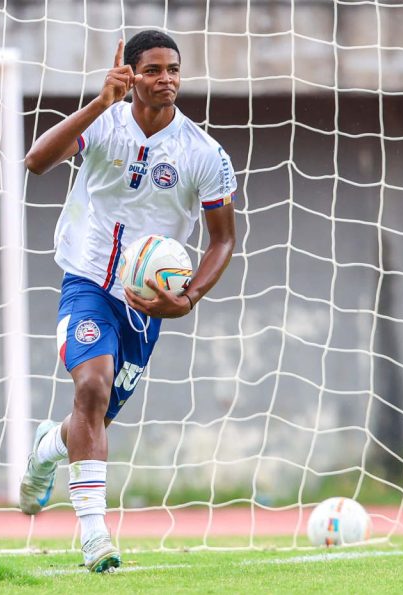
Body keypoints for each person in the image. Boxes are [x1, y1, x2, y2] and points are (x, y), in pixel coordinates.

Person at [20, 30, 237, 573]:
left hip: (146, 304)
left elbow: (223, 239)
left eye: (174, 70)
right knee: (90, 387)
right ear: (131, 74)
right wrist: (98, 102)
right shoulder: (105, 122)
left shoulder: (203, 153)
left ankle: (49, 446)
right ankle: (95, 537)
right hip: (88, 280)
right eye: (155, 70)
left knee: (91, 418)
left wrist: (188, 298)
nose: (168, 79)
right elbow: (36, 161)